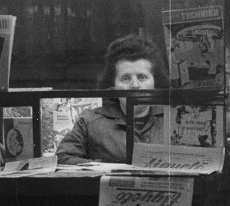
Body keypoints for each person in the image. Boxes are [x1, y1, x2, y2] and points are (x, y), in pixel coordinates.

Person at [56, 33, 167, 164]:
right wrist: (104, 170)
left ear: (155, 82)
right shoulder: (90, 121)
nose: (135, 85)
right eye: (126, 78)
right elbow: (63, 157)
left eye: (142, 77)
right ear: (113, 85)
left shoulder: (173, 118)